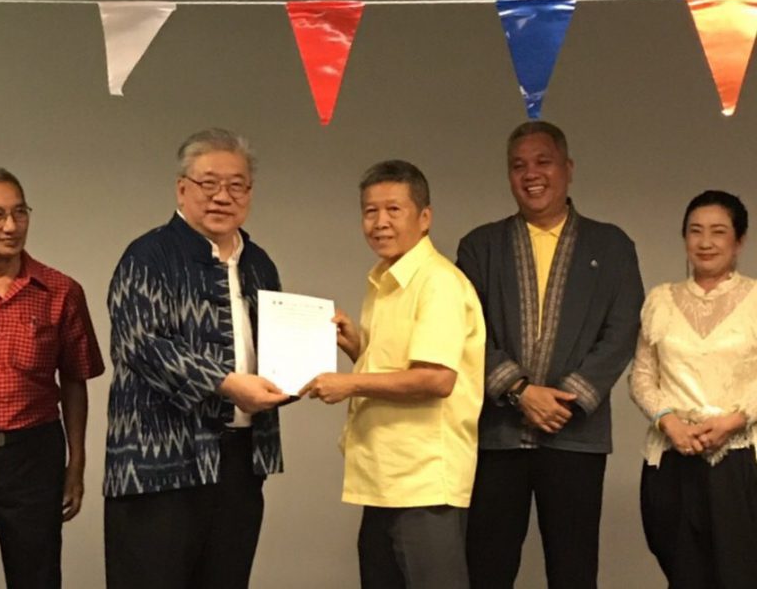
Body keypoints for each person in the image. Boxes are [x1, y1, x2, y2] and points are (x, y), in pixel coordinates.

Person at [457, 121, 644, 589]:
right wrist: (519, 391)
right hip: (498, 434)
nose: (531, 174)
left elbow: (622, 331)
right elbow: (466, 331)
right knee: (487, 567)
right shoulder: (480, 247)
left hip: (575, 434)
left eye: (543, 161)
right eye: (518, 165)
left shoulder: (612, 246)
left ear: (568, 169)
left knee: (574, 568)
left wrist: (563, 399)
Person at [103, 128, 289, 589]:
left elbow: (280, 348)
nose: (222, 196)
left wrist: (312, 358)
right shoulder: (148, 256)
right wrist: (227, 384)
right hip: (159, 464)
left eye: (236, 185)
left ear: (250, 192)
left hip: (240, 461)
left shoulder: (259, 263)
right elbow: (144, 344)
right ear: (182, 188)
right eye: (209, 183)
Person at [301, 160, 485, 589]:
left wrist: (349, 384)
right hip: (385, 477)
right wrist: (356, 348)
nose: (379, 222)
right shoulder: (386, 280)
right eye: (370, 211)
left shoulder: (437, 282)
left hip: (422, 481)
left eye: (393, 210)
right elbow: (402, 367)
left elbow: (436, 379)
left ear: (425, 218)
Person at [0, 165, 104, 589]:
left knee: (37, 576)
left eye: (20, 213)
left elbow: (76, 380)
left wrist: (75, 464)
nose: (10, 226)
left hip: (34, 455)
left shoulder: (61, 291)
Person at [630, 190, 757, 588]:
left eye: (718, 232)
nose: (705, 242)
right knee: (683, 574)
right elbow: (642, 376)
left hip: (740, 459)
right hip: (673, 456)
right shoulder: (660, 300)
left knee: (741, 573)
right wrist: (669, 423)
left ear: (739, 241)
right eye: (695, 231)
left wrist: (733, 421)